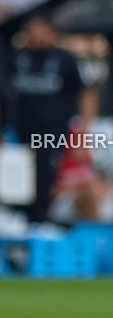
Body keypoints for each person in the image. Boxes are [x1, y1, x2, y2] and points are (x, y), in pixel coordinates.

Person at [10, 18, 92, 222]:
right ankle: (21, 225)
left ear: (51, 31)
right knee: (18, 186)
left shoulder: (65, 59)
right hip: (18, 137)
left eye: (39, 29)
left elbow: (87, 93)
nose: (35, 35)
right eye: (30, 30)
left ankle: (43, 226)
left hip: (53, 136)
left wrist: (83, 132)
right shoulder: (16, 57)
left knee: (49, 184)